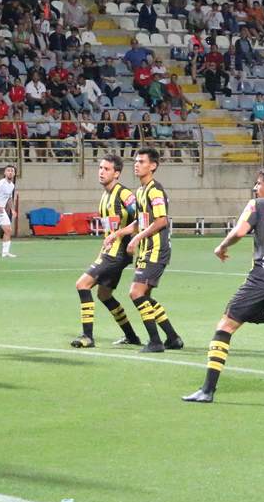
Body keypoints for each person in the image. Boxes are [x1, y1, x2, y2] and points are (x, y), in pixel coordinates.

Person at [182, 166, 264, 404]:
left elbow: (240, 231)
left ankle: (207, 390)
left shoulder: (258, 205)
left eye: (259, 183)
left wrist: (221, 246)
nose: (256, 188)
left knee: (225, 326)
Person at [71, 155, 142, 349]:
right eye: (100, 168)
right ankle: (132, 336)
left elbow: (143, 220)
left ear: (116, 173)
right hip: (109, 252)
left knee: (82, 284)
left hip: (118, 254)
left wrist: (122, 235)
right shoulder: (105, 195)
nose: (101, 172)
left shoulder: (125, 194)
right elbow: (110, 229)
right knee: (104, 294)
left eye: (107, 169)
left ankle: (87, 336)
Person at [123, 147, 182, 352]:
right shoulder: (139, 191)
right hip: (147, 250)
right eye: (135, 161)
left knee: (135, 293)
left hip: (156, 250)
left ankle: (155, 341)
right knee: (144, 296)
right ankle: (173, 338)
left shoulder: (155, 190)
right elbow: (141, 222)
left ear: (153, 166)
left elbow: (161, 220)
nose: (137, 165)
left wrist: (137, 238)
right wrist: (118, 234)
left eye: (141, 161)